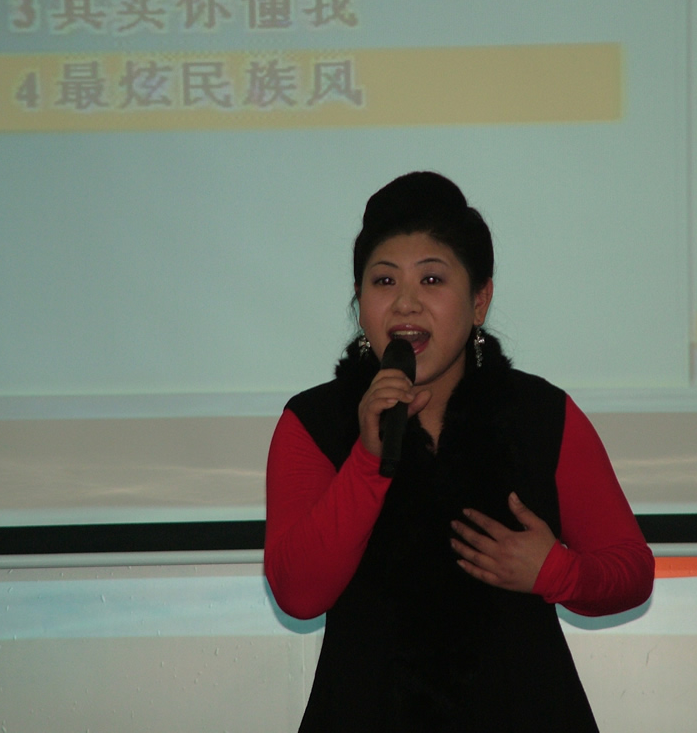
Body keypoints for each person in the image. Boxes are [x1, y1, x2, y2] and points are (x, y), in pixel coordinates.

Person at [264, 171, 655, 732]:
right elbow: (298, 594)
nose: (406, 303)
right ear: (359, 301)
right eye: (383, 281)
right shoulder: (315, 422)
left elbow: (632, 571)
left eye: (431, 279)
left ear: (479, 300)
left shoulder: (539, 414)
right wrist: (369, 459)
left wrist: (557, 571)